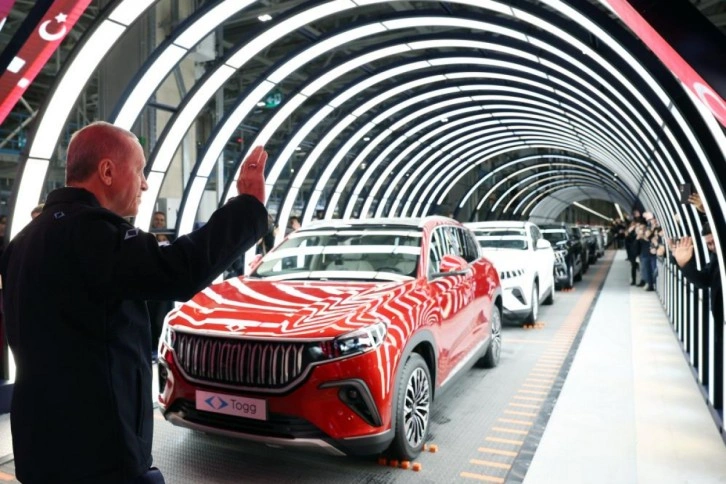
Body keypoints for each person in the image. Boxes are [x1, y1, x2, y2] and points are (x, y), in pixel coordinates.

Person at [0, 121, 269, 484]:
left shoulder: (24, 240)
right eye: (140, 170)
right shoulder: (93, 233)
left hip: (39, 443)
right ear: (107, 171)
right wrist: (248, 207)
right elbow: (179, 270)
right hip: (97, 451)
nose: (144, 184)